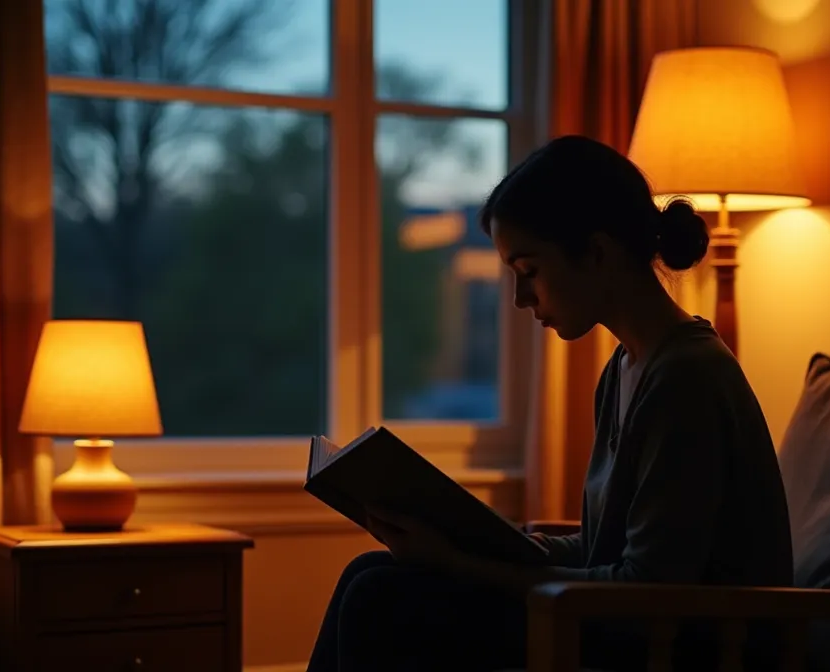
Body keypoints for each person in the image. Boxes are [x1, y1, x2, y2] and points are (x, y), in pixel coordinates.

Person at [306, 135, 793, 671]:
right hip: (631, 623)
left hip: (685, 645)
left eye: (529, 271)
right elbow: (603, 551)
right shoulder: (626, 368)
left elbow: (646, 588)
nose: (520, 299)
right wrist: (490, 542)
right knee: (368, 572)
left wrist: (464, 564)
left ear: (598, 253)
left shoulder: (687, 378)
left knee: (381, 601)